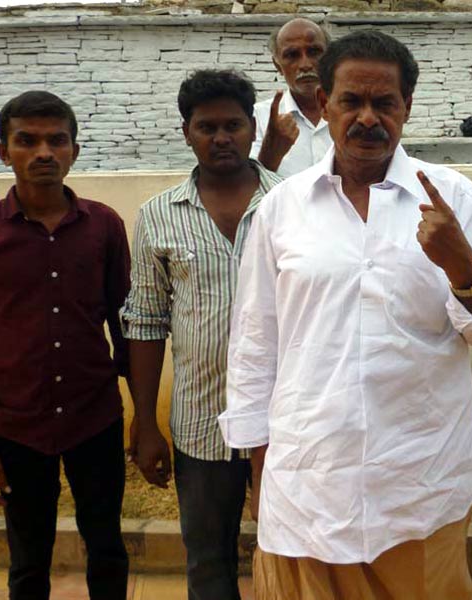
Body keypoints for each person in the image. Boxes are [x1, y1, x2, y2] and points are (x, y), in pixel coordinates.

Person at [218, 30, 472, 600]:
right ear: (324, 104)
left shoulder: (453, 199)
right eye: (352, 101)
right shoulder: (283, 207)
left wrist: (462, 268)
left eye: (386, 103)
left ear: (407, 107)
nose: (368, 118)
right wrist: (261, 476)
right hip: (308, 479)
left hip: (418, 484)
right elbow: (256, 342)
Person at [0, 91, 130, 600]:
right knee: (28, 562)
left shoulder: (105, 226)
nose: (43, 152)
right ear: (4, 152)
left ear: (74, 150)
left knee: (108, 549)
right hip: (18, 425)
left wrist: (141, 420)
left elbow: (125, 325)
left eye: (57, 140)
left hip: (95, 417)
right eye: (27, 140)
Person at [120, 69, 281, 600]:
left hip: (289, 422)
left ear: (253, 128)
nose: (221, 137)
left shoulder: (295, 203)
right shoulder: (158, 215)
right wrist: (145, 422)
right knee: (208, 561)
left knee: (294, 555)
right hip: (200, 423)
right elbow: (145, 321)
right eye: (206, 126)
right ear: (186, 132)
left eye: (232, 125)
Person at [250, 18, 332, 177]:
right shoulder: (258, 118)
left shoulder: (354, 115)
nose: (305, 64)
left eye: (314, 52)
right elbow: (248, 191)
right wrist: (270, 155)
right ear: (277, 66)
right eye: (292, 55)